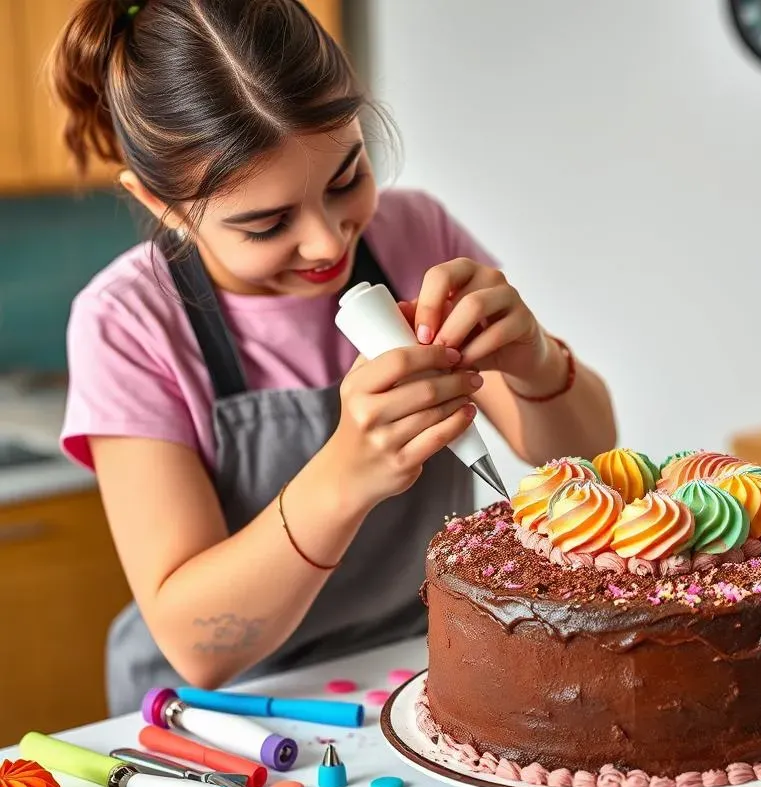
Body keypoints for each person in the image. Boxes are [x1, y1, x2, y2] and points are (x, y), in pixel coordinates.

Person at [53, 0, 617, 715]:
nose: (326, 243)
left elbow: (588, 452)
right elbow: (200, 647)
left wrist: (533, 359)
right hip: (224, 718)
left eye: (346, 178)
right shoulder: (129, 323)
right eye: (266, 223)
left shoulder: (414, 234)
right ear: (161, 205)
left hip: (414, 669)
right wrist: (347, 474)